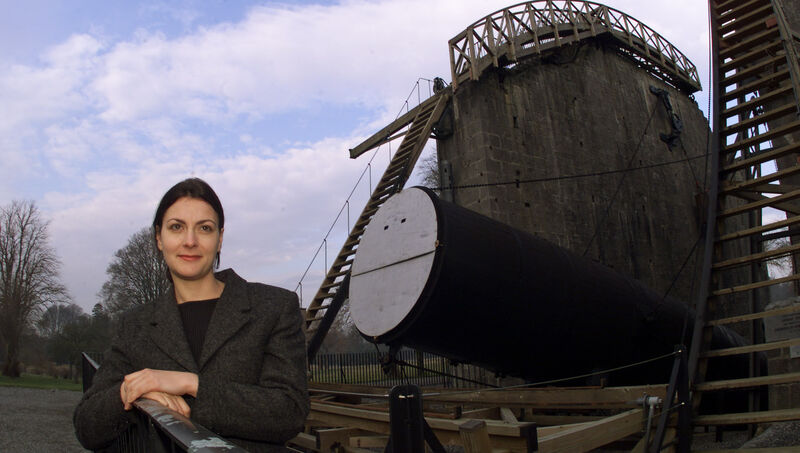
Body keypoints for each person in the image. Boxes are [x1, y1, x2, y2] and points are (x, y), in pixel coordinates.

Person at [74, 178, 309, 452]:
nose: (190, 241)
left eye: (204, 228)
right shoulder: (135, 325)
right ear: (159, 238)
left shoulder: (273, 307)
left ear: (219, 239)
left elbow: (289, 412)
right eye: (176, 227)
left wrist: (188, 383)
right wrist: (135, 393)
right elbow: (87, 427)